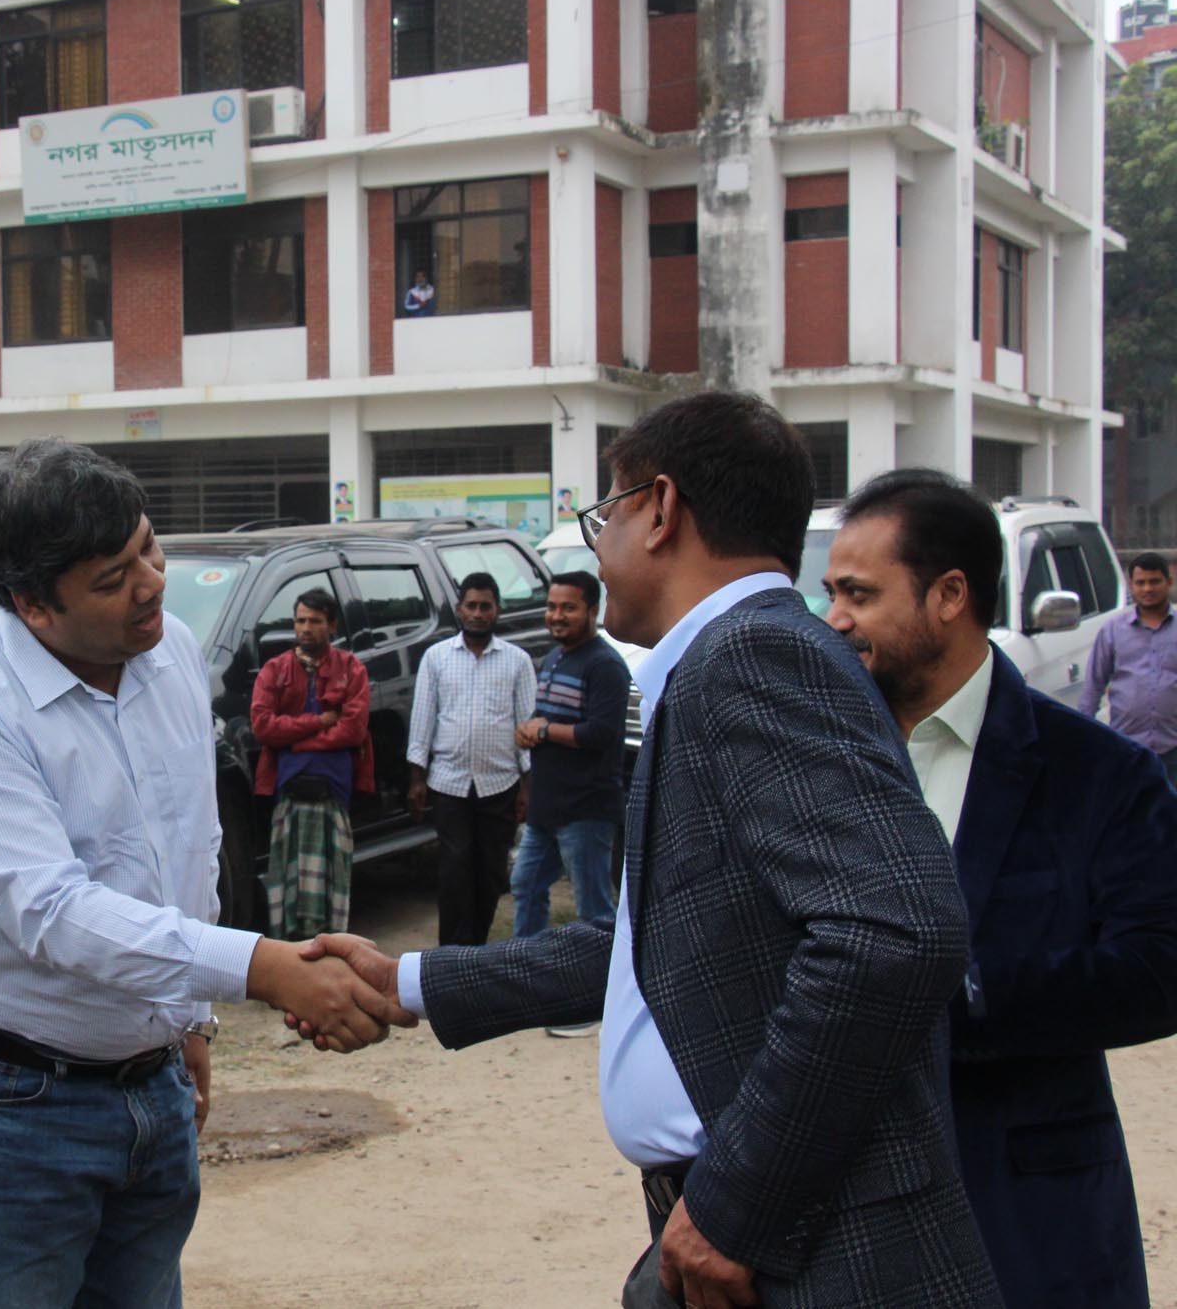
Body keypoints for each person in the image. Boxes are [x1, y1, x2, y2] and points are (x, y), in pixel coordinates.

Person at [301, 393, 999, 1308]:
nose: (598, 550)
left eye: (607, 515)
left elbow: (896, 932)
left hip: (815, 1247)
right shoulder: (724, 662)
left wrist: (736, 1205)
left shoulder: (753, 656)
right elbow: (666, 942)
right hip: (749, 1231)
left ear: (662, 509)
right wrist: (411, 981)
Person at [0, 438, 413, 1307]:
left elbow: (188, 844)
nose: (152, 583)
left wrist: (188, 1020)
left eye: (149, 547)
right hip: (4, 1101)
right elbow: (55, 912)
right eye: (113, 578)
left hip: (149, 1083)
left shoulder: (168, 653)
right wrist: (265, 967)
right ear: (33, 605)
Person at [824, 469, 1177, 1308]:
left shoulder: (1098, 774)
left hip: (1027, 1223)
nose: (834, 618)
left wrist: (956, 995)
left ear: (950, 595)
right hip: (836, 1227)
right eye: (831, 593)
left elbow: (1159, 968)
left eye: (859, 594)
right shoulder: (816, 756)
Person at [508, 569, 628, 1038]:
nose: (557, 616)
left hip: (587, 808)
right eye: (552, 606)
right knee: (526, 885)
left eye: (568, 608)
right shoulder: (555, 657)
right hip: (547, 805)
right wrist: (532, 728)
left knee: (594, 909)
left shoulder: (606, 665)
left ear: (592, 610)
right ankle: (528, 987)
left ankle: (597, 1002)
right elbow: (550, 721)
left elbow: (602, 733)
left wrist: (543, 730)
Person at [406, 572, 536, 946]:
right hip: (448, 783)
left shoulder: (517, 661)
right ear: (459, 609)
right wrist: (416, 779)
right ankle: (449, 955)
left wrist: (527, 786)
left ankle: (476, 951)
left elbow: (526, 726)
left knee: (490, 873)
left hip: (499, 784)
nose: (478, 614)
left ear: (497, 611)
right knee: (454, 871)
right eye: (471, 606)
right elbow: (422, 721)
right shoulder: (436, 658)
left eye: (485, 607)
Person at [251, 588, 372, 939]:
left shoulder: (351, 669)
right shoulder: (275, 670)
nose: (306, 628)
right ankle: (291, 958)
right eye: (301, 620)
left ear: (331, 626)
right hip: (288, 796)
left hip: (333, 794)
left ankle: (329, 953)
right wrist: (317, 723)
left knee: (332, 886)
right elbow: (262, 727)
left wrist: (294, 741)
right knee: (286, 884)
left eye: (315, 621)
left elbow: (353, 730)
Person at [1078, 550, 1177, 786]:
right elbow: (1093, 687)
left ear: (1169, 582)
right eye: (1140, 583)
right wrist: (1082, 737)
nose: (1148, 589)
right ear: (1131, 586)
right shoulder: (1113, 630)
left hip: (1173, 749)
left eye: (1155, 581)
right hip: (1126, 748)